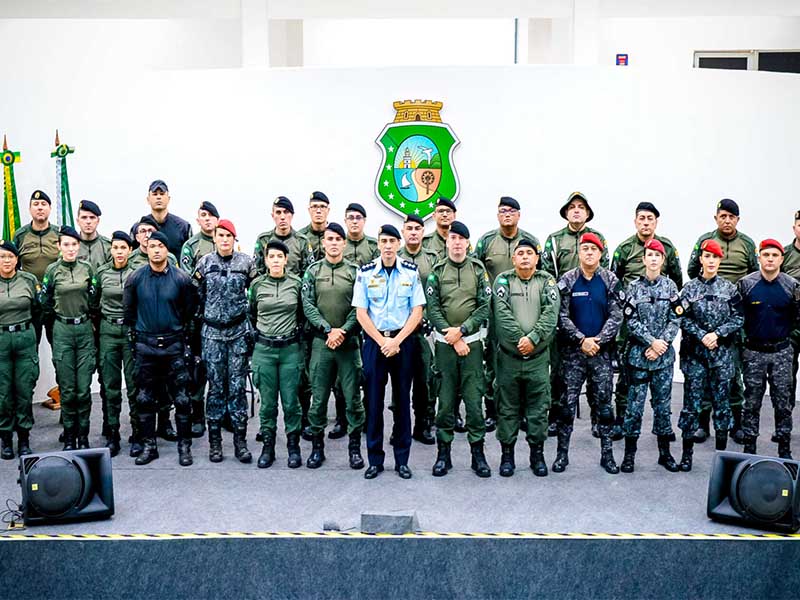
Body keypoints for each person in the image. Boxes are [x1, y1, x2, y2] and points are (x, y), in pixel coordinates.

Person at [353, 224, 425, 480]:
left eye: (392, 241)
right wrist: (382, 341)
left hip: (403, 341)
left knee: (402, 402)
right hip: (375, 342)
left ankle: (402, 460)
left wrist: (396, 341)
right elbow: (361, 313)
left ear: (398, 244)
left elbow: (417, 311)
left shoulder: (410, 271)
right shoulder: (365, 273)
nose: (387, 245)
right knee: (373, 403)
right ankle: (375, 460)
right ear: (378, 244)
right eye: (383, 240)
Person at [123, 231, 197, 466]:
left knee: (183, 399)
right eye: (151, 245)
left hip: (174, 345)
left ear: (167, 250)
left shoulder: (181, 279)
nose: (156, 250)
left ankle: (184, 448)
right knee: (145, 398)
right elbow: (129, 313)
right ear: (146, 248)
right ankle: (149, 446)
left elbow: (189, 312)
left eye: (160, 246)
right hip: (146, 346)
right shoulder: (135, 278)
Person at [687, 198, 757, 444]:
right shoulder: (705, 241)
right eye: (723, 216)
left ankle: (736, 423)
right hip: (705, 319)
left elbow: (753, 276)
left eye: (732, 217)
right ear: (716, 217)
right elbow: (690, 270)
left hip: (732, 320)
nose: (727, 220)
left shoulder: (747, 244)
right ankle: (702, 425)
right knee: (706, 376)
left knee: (733, 374)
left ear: (738, 219)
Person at [610, 202, 682, 440]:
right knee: (627, 379)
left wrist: (660, 341)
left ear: (656, 222)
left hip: (660, 319)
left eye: (650, 218)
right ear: (635, 221)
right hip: (632, 324)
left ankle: (662, 429)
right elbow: (615, 281)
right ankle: (623, 420)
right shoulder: (624, 249)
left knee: (662, 392)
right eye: (641, 218)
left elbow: (677, 282)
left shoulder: (668, 247)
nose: (645, 222)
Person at [426, 221, 492, 477]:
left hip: (472, 345)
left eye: (460, 238)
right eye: (451, 237)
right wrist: (452, 336)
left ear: (467, 243)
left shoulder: (477, 270)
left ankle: (478, 455)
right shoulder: (437, 271)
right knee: (445, 403)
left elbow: (484, 306)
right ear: (447, 241)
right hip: (445, 346)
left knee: (475, 403)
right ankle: (444, 455)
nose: (456, 242)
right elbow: (433, 309)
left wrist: (462, 331)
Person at [541, 192, 608, 438]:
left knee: (595, 373)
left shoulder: (598, 238)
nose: (577, 210)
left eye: (581, 207)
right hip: (565, 312)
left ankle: (597, 420)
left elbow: (605, 273)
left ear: (588, 213)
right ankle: (556, 418)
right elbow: (547, 275)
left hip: (592, 312)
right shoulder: (554, 240)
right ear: (566, 212)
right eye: (572, 207)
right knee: (559, 372)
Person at [554, 233, 622, 474]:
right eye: (585, 249)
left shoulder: (610, 279)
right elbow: (560, 316)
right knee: (566, 407)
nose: (589, 253)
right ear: (579, 253)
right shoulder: (567, 280)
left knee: (604, 406)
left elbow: (616, 315)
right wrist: (581, 340)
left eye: (594, 249)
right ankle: (562, 455)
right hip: (573, 354)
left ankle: (607, 456)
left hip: (601, 354)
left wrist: (598, 341)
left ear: (601, 253)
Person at [493, 239, 559, 477]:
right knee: (507, 408)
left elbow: (551, 313)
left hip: (538, 359)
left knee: (538, 408)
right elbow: (501, 312)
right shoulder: (503, 280)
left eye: (529, 253)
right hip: (509, 358)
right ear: (513, 259)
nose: (524, 257)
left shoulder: (547, 281)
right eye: (520, 253)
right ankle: (507, 456)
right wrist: (520, 338)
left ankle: (537, 455)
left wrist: (533, 337)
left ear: (536, 258)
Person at [301, 223, 365, 469]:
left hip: (348, 345)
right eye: (330, 239)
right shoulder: (313, 271)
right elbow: (307, 304)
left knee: (352, 400)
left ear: (344, 243)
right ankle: (318, 449)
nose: (335, 243)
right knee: (318, 400)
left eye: (339, 239)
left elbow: (360, 305)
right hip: (322, 344)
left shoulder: (355, 271)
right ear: (324, 242)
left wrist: (344, 330)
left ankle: (354, 449)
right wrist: (328, 330)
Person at [474, 196, 540, 432]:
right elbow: (475, 271)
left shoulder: (530, 241)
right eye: (503, 211)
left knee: (523, 361)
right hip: (495, 314)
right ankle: (492, 410)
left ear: (519, 215)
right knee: (493, 362)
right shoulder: (486, 241)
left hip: (526, 311)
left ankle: (521, 412)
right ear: (497, 215)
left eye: (512, 210)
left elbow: (540, 276)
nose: (507, 214)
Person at [676, 239, 743, 471]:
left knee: (722, 405)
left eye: (715, 257)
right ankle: (687, 456)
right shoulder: (689, 289)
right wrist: (702, 334)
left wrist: (717, 334)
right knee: (691, 406)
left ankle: (722, 458)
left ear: (719, 260)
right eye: (707, 257)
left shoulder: (729, 289)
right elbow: (680, 317)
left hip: (721, 356)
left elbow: (738, 318)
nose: (711, 261)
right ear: (701, 259)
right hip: (695, 356)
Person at [194, 219, 256, 464]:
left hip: (238, 333)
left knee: (238, 388)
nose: (224, 239)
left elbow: (256, 291)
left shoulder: (246, 263)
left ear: (234, 239)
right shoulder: (205, 263)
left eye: (229, 236)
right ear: (215, 238)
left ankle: (240, 442)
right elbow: (195, 293)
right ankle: (215, 443)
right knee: (216, 389)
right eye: (220, 235)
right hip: (212, 335)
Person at [619, 239, 681, 474]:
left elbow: (676, 318)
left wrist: (661, 344)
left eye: (658, 255)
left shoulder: (671, 287)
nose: (653, 259)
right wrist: (650, 342)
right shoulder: (633, 288)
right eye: (649, 255)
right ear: (643, 259)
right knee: (634, 407)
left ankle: (664, 454)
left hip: (663, 359)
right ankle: (629, 455)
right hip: (639, 357)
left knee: (663, 407)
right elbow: (630, 320)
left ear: (663, 260)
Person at [738, 239, 800, 458]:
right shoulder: (746, 284)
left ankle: (784, 449)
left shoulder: (791, 286)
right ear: (759, 258)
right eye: (766, 255)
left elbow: (798, 318)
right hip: (753, 352)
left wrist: (789, 342)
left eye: (775, 255)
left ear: (782, 259)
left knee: (783, 403)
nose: (770, 259)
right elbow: (738, 317)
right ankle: (749, 449)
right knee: (752, 402)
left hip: (782, 352)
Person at [39, 226, 98, 451]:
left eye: (74, 244)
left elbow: (93, 299)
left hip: (83, 331)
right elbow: (44, 301)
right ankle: (70, 435)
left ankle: (83, 436)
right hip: (62, 330)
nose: (71, 248)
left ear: (78, 246)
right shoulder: (53, 271)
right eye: (66, 244)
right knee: (68, 388)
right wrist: (55, 324)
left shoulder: (87, 269)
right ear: (59, 247)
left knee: (83, 388)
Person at [249, 240, 304, 469]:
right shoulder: (257, 285)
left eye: (279, 256)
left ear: (285, 259)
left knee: (291, 403)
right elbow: (251, 312)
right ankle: (268, 448)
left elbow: (303, 313)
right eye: (271, 256)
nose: (275, 260)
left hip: (290, 350)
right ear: (265, 259)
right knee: (268, 405)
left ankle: (293, 447)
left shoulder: (296, 284)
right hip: (265, 350)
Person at [95, 231, 139, 457]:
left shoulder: (137, 273)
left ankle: (137, 433)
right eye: (115, 248)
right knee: (111, 386)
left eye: (123, 248)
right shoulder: (101, 273)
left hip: (130, 331)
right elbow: (94, 303)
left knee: (134, 385)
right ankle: (113, 433)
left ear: (130, 250)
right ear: (110, 250)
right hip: (108, 332)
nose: (119, 252)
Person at [180, 201, 219, 438]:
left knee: (218, 367)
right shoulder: (190, 246)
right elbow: (188, 281)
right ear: (198, 219)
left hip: (220, 319)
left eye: (211, 216)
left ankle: (220, 413)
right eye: (203, 215)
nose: (207, 219)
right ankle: (197, 415)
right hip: (197, 317)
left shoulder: (225, 241)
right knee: (196, 368)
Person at [399, 214, 439, 444]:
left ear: (423, 232)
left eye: (417, 228)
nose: (413, 232)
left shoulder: (433, 259)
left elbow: (436, 295)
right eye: (409, 229)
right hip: (400, 331)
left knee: (425, 380)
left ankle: (424, 424)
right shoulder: (393, 257)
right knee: (400, 381)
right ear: (403, 232)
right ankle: (400, 426)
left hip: (424, 331)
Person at [0, 240, 41, 459]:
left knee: (24, 391)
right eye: (2, 257)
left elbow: (38, 310)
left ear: (17, 259)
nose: (6, 261)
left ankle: (24, 438)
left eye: (10, 257)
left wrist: (29, 336)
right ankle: (5, 438)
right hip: (1, 340)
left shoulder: (28, 280)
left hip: (25, 338)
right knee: (3, 394)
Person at [253, 196, 314, 277]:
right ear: (273, 216)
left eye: (286, 212)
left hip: (294, 287)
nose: (282, 217)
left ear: (292, 215)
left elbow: (309, 271)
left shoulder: (302, 241)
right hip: (268, 287)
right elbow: (257, 270)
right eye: (278, 212)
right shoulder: (263, 240)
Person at [138, 180, 192, 259]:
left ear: (168, 198)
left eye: (162, 194)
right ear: (148, 199)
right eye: (155, 194)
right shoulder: (140, 228)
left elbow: (190, 254)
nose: (158, 197)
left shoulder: (183, 226)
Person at [783, 212, 800, 415]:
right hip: (792, 325)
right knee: (786, 375)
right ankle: (784, 424)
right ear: (794, 227)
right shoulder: (784, 254)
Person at [76, 200, 111, 268]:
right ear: (78, 221)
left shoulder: (108, 246)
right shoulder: (71, 246)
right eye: (84, 217)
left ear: (98, 221)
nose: (88, 222)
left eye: (92, 218)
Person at [298, 191, 329, 261]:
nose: (318, 211)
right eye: (314, 206)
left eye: (322, 207)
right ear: (309, 210)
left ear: (328, 210)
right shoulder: (300, 238)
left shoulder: (336, 237)